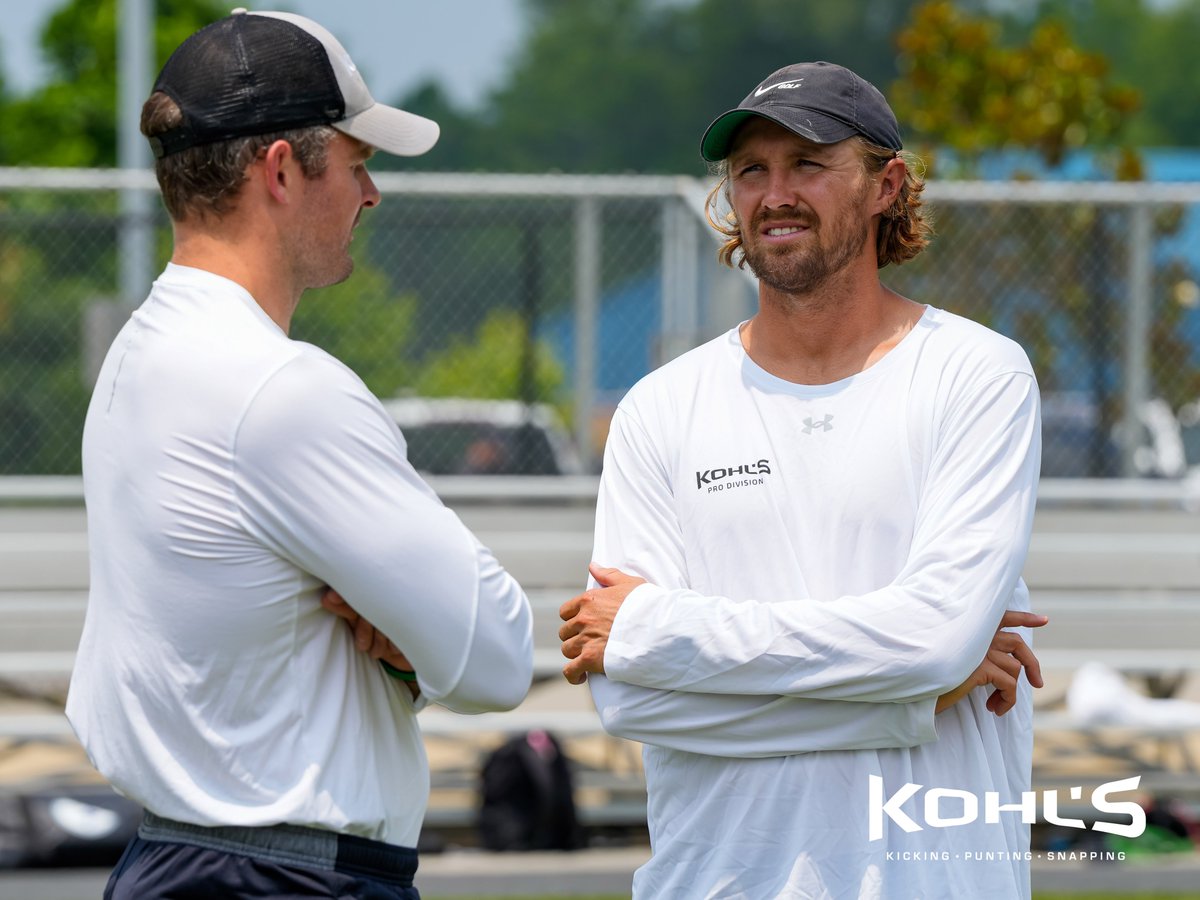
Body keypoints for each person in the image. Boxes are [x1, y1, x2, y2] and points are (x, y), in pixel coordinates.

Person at [65, 11, 534, 899]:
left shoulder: (138, 357)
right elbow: (496, 654)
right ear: (281, 169)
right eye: (358, 164)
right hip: (286, 877)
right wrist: (413, 641)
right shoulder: (277, 388)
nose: (370, 195)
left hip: (180, 860)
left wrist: (404, 637)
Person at [559, 61, 1046, 898]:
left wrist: (661, 632)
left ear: (886, 185)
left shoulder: (977, 375)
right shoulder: (660, 409)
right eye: (752, 169)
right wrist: (906, 700)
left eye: (809, 164)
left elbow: (933, 639)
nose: (774, 193)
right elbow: (632, 704)